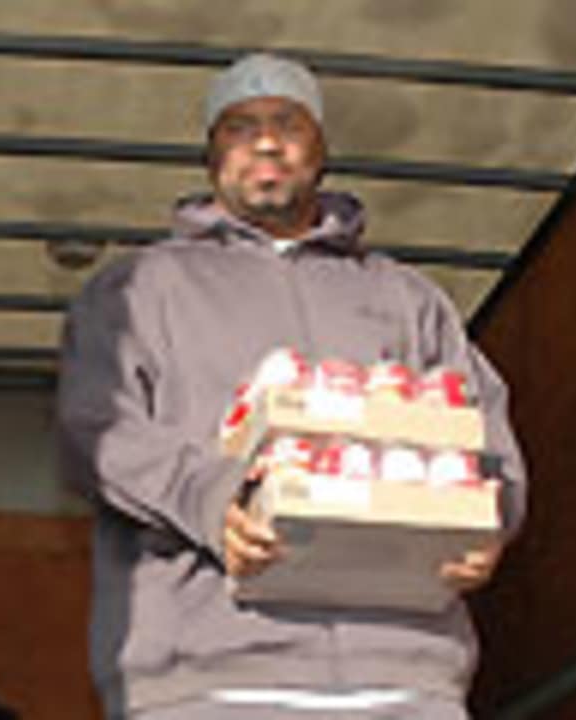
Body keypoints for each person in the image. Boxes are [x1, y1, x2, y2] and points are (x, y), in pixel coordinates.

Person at [57, 53, 526, 719]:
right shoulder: (138, 291)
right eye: (240, 127)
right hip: (208, 682)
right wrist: (214, 500)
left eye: (288, 123)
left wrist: (490, 520)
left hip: (403, 677)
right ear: (211, 156)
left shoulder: (406, 298)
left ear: (322, 148)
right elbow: (94, 435)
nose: (267, 141)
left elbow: (485, 434)